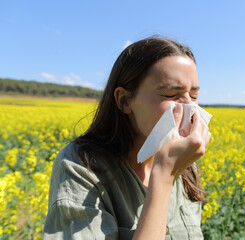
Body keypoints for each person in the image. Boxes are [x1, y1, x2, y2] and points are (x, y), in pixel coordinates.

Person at [43, 37, 211, 239]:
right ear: (124, 100)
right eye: (171, 94)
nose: (189, 106)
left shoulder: (187, 165)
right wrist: (164, 175)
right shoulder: (81, 166)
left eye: (193, 96)